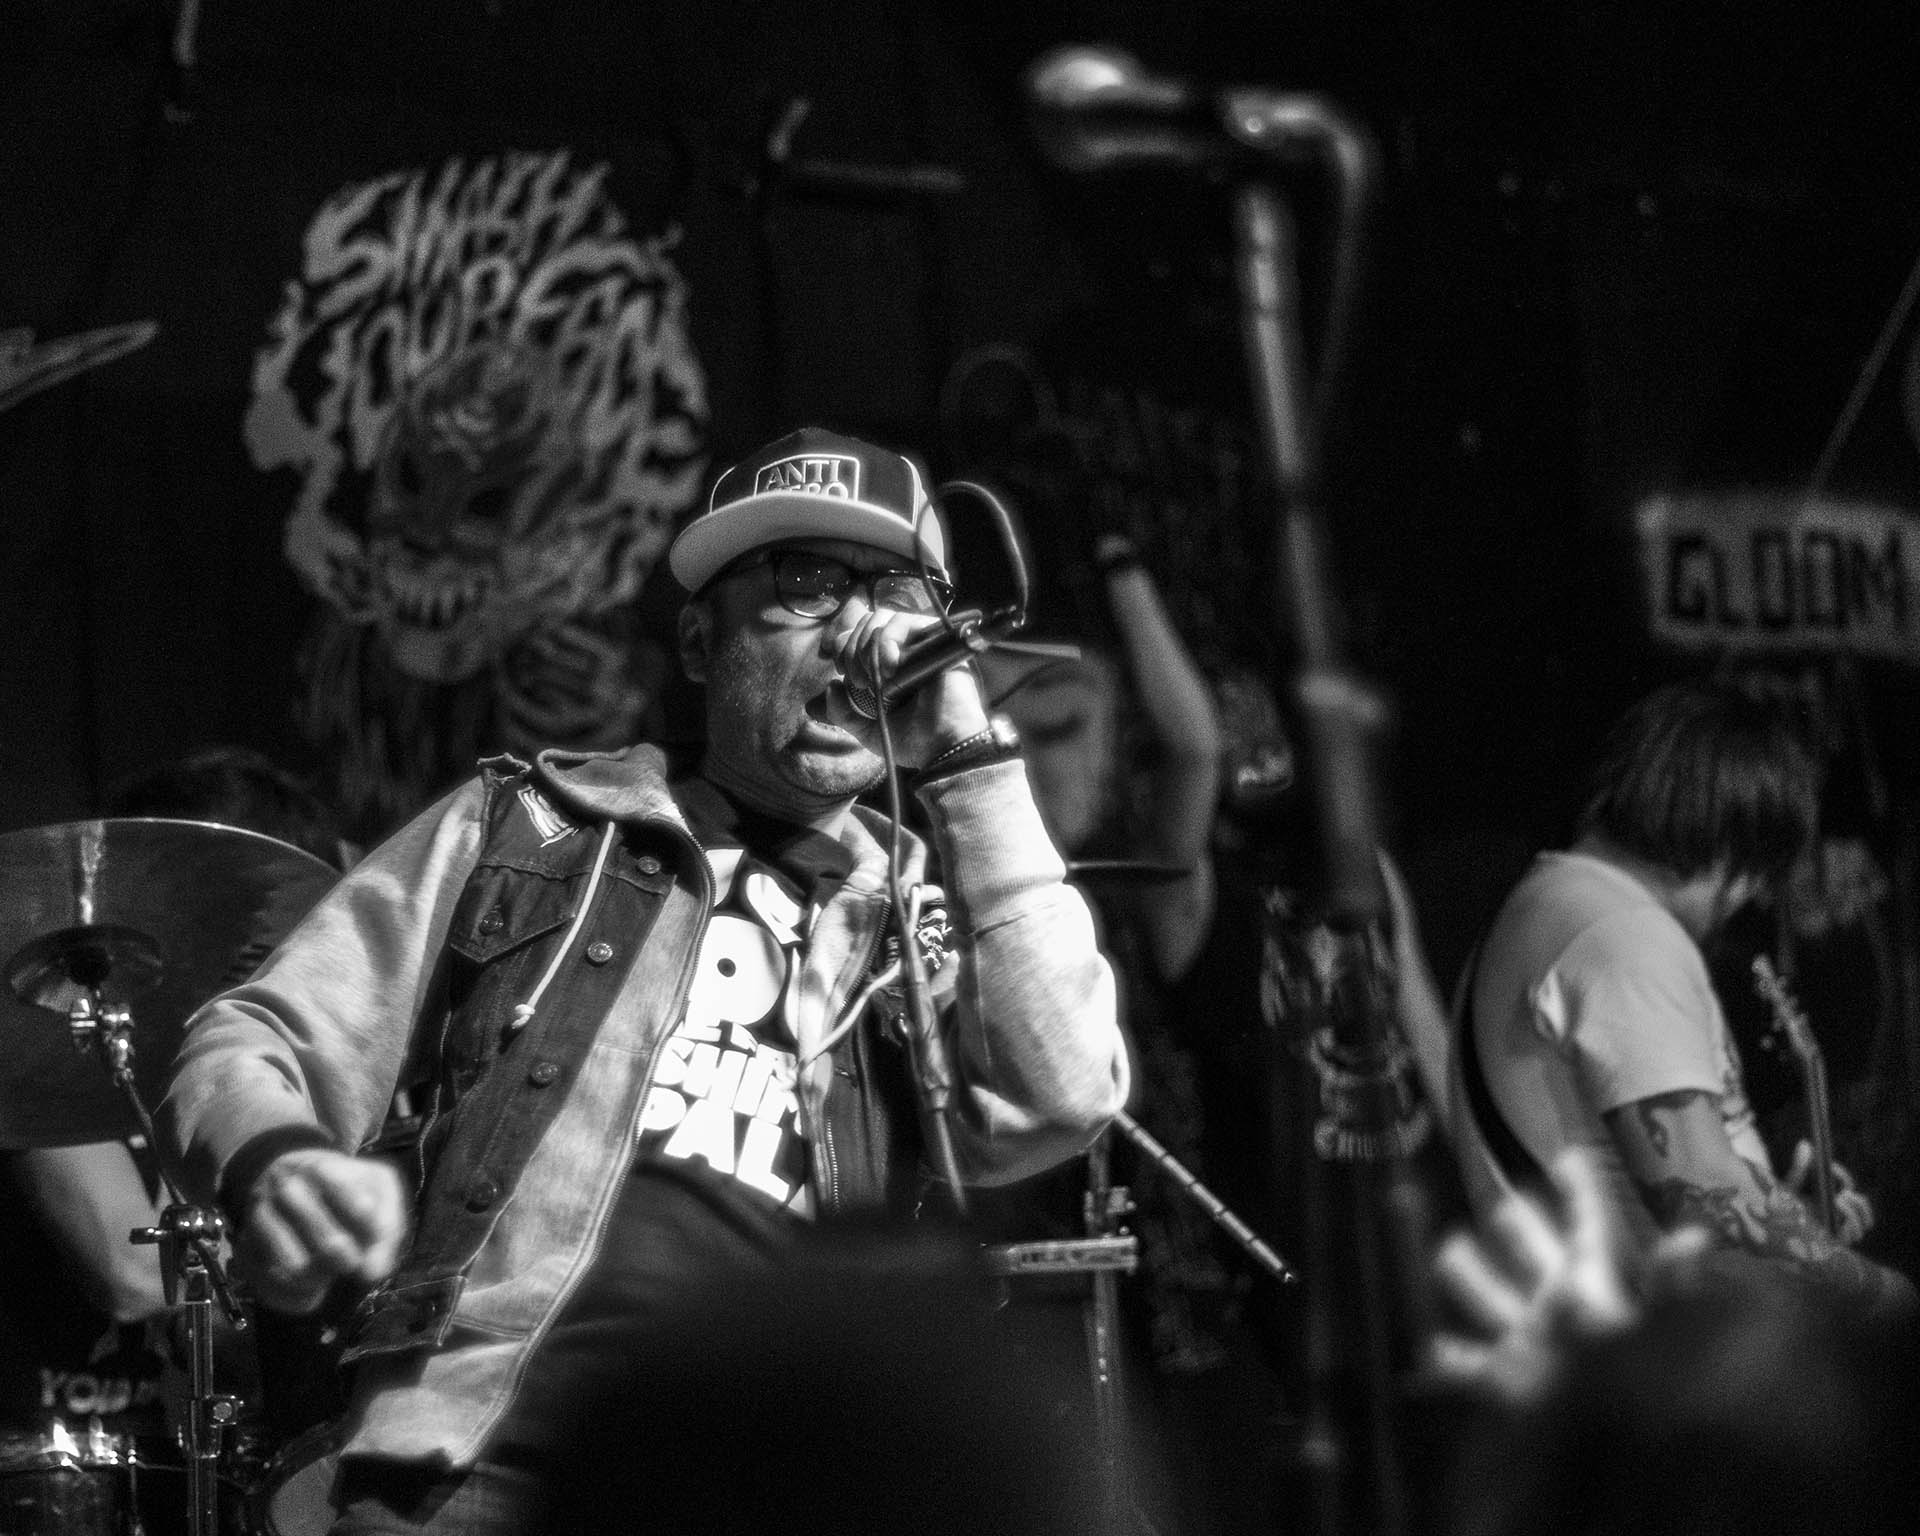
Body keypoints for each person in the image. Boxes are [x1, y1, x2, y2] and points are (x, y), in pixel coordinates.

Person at [156, 426, 1129, 1535]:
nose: (859, 630)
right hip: (484, 1465)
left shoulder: (927, 910)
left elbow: (1060, 1098)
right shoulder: (531, 827)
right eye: (807, 583)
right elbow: (253, 1037)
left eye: (896, 594)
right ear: (703, 643)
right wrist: (276, 1163)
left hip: (783, 1481)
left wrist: (969, 760)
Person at [1448, 675, 1912, 1314]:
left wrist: (1783, 1207)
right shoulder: (1624, 935)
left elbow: (1666, 1180)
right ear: (1736, 834)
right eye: (1761, 868)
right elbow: (1707, 1203)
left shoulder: (1553, 905)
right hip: (1638, 1355)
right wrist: (1876, 1293)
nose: (1754, 896)